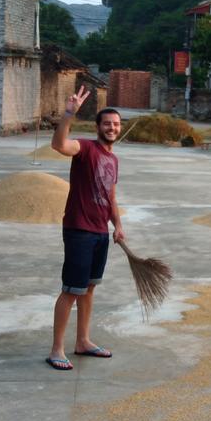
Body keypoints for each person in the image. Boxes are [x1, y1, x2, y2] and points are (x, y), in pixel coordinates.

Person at [44, 86, 124, 370]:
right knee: (71, 290)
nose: (111, 128)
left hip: (101, 232)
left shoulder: (113, 160)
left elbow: (111, 196)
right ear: (98, 127)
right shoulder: (85, 148)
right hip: (79, 229)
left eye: (115, 124)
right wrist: (69, 114)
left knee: (89, 289)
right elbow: (59, 146)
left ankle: (83, 341)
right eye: (107, 124)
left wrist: (118, 226)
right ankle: (56, 349)